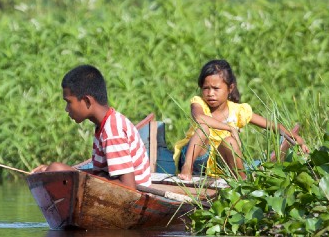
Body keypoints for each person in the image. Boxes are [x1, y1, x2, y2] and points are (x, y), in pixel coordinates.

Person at [174, 59, 309, 181]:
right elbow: (199, 118)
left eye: (216, 89)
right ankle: (187, 169)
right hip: (196, 157)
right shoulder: (199, 103)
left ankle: (242, 181)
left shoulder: (238, 111)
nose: (210, 94)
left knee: (230, 142)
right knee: (204, 128)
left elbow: (273, 126)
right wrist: (229, 127)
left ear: (230, 88)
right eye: (206, 88)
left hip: (217, 163)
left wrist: (297, 139)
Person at [32, 65, 152, 189]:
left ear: (87, 101)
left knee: (56, 169)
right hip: (119, 188)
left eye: (68, 102)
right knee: (55, 171)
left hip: (135, 197)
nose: (66, 109)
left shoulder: (112, 130)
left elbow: (129, 188)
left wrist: (63, 173)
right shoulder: (104, 125)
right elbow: (101, 175)